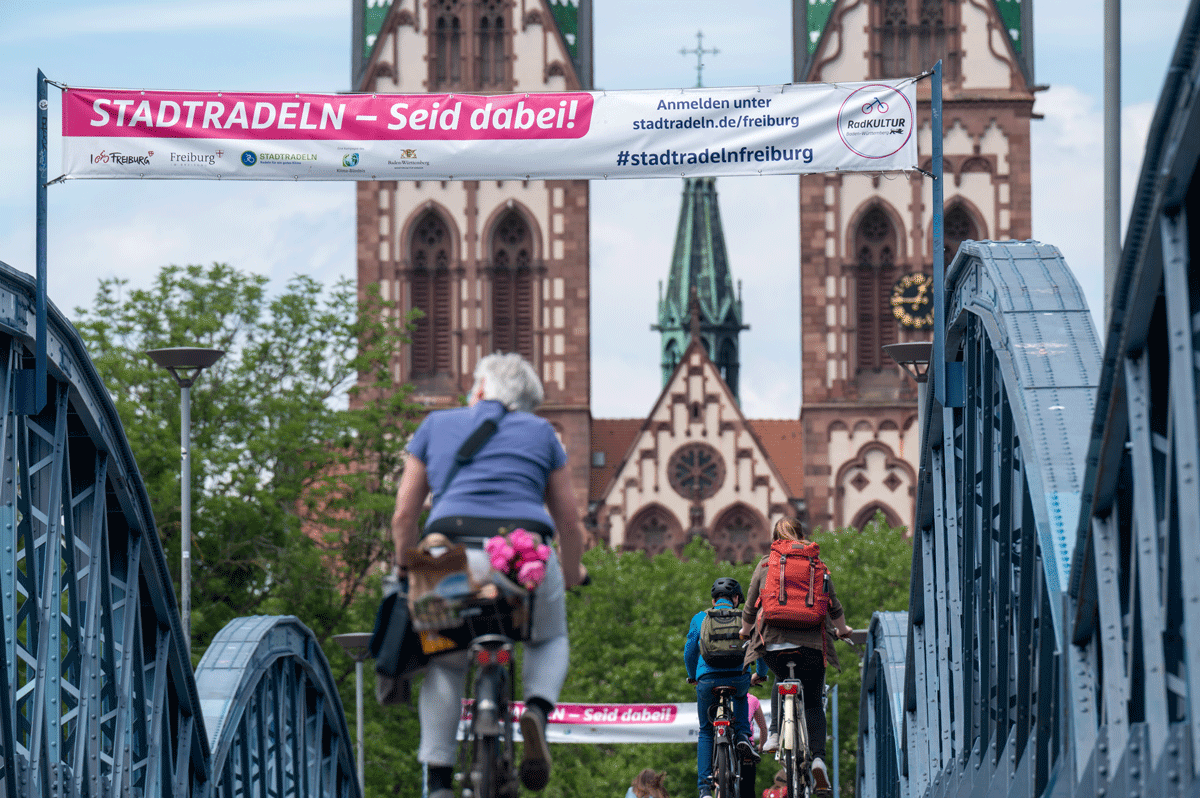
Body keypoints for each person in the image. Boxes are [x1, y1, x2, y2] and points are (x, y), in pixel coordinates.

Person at [392, 352, 588, 798]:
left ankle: (440, 778)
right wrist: (573, 571)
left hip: (445, 551)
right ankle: (536, 710)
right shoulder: (542, 432)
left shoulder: (435, 426)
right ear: (525, 404)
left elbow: (405, 514)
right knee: (549, 637)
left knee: (444, 660)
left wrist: (406, 563)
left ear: (479, 389)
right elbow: (571, 524)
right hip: (521, 554)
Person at [739, 518, 852, 798]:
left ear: (774, 538)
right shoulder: (817, 564)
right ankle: (817, 760)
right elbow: (833, 606)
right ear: (802, 535)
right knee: (813, 701)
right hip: (812, 647)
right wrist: (843, 630)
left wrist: (744, 631)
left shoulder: (766, 564)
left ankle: (776, 733)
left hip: (775, 647)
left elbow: (751, 603)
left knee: (781, 679)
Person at [685, 577, 767, 798]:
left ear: (713, 600)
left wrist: (693, 676)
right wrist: (761, 673)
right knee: (741, 696)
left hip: (707, 680)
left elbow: (690, 650)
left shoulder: (700, 618)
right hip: (738, 677)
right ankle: (742, 736)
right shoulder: (746, 618)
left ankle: (703, 789)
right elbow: (759, 646)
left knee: (705, 731)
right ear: (737, 598)